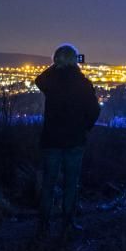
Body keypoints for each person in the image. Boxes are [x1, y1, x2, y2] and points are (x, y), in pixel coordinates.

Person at [35, 44, 100, 237]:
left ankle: (43, 224)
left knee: (49, 182)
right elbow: (94, 111)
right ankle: (67, 222)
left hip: (51, 139)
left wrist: (57, 64)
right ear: (74, 60)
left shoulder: (51, 81)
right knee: (71, 183)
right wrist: (85, 128)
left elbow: (39, 79)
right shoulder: (82, 82)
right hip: (75, 139)